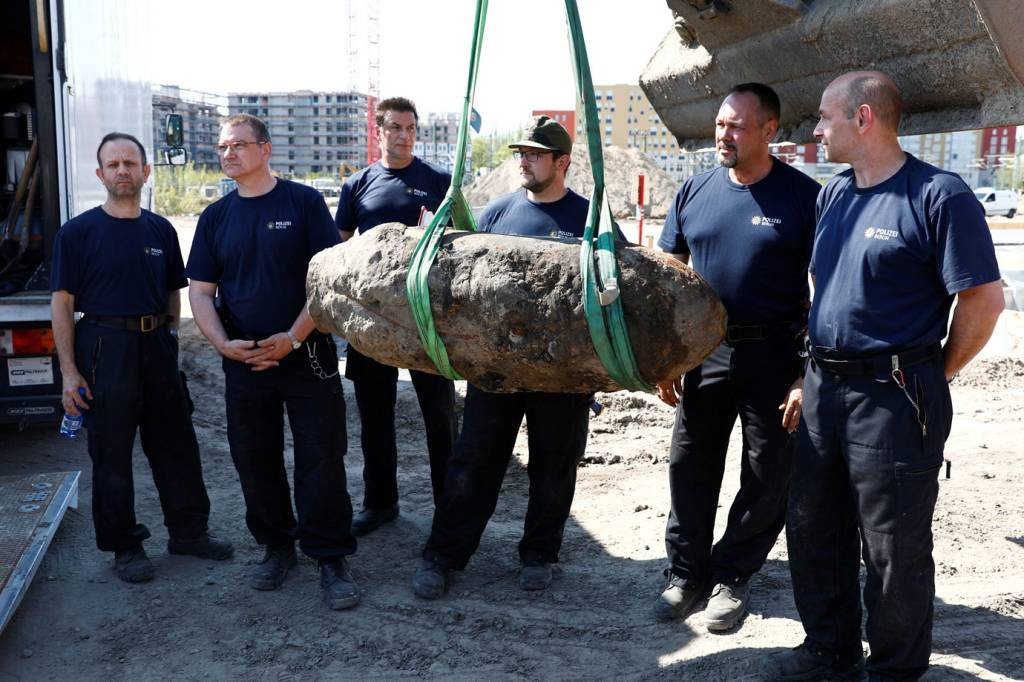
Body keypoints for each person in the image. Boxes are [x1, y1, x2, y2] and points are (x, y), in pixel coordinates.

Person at [770, 71, 1004, 681]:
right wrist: (805, 375)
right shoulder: (834, 195)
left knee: (892, 547)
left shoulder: (939, 195)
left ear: (864, 117)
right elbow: (828, 296)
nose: (817, 130)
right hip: (825, 387)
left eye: (825, 117)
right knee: (813, 526)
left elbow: (982, 302)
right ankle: (830, 650)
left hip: (896, 393)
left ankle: (895, 671)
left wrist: (932, 372)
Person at [654, 83, 820, 631]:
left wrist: (805, 373)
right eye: (720, 124)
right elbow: (666, 277)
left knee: (768, 473)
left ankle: (732, 573)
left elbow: (828, 287)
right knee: (689, 465)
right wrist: (666, 355)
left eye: (737, 126)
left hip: (775, 353)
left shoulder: (804, 198)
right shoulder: (694, 192)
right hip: (704, 352)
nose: (724, 135)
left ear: (770, 131)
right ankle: (685, 574)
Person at [411, 116, 591, 599]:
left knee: (555, 464)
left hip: (562, 374)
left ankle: (539, 554)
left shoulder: (590, 219)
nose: (524, 161)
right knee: (474, 461)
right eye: (521, 154)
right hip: (497, 371)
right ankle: (444, 555)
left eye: (534, 154)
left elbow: (613, 296)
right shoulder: (496, 214)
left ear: (562, 162)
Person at [187, 114, 359, 611]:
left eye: (239, 145)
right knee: (254, 459)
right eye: (222, 147)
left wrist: (292, 336)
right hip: (245, 361)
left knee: (321, 458)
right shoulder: (215, 218)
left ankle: (329, 556)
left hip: (307, 357)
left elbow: (327, 282)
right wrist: (222, 344)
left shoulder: (303, 203)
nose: (228, 153)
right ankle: (277, 545)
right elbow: (200, 292)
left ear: (265, 150)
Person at [51, 132, 233, 583]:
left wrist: (169, 339)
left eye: (130, 163)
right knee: (111, 451)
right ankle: (125, 546)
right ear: (100, 174)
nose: (122, 171)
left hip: (156, 347)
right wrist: (69, 372)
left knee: (177, 446)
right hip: (103, 347)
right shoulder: (77, 234)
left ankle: (189, 533)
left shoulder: (161, 230)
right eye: (112, 165)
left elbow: (175, 291)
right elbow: (61, 303)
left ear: (145, 171)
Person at [335, 96, 458, 536]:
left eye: (411, 128)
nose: (404, 135)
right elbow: (342, 251)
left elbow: (462, 244)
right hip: (373, 323)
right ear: (379, 132)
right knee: (375, 418)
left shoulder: (440, 182)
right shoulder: (358, 185)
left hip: (426, 322)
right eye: (396, 128)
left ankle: (449, 506)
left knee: (441, 419)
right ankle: (380, 502)